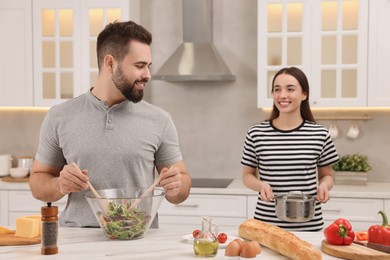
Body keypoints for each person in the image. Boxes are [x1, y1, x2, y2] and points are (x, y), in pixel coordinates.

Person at [29, 21, 191, 228]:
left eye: (148, 66)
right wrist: (59, 185)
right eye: (139, 66)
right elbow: (37, 183)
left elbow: (183, 185)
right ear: (110, 63)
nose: (148, 75)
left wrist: (177, 187)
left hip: (137, 239)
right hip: (78, 241)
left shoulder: (159, 120)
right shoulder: (59, 116)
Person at [241, 67, 338, 231]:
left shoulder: (320, 134)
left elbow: (327, 176)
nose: (282, 95)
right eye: (277, 89)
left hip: (309, 225)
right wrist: (261, 185)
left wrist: (324, 186)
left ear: (304, 94)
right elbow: (247, 176)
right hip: (266, 225)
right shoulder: (256, 133)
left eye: (290, 89)